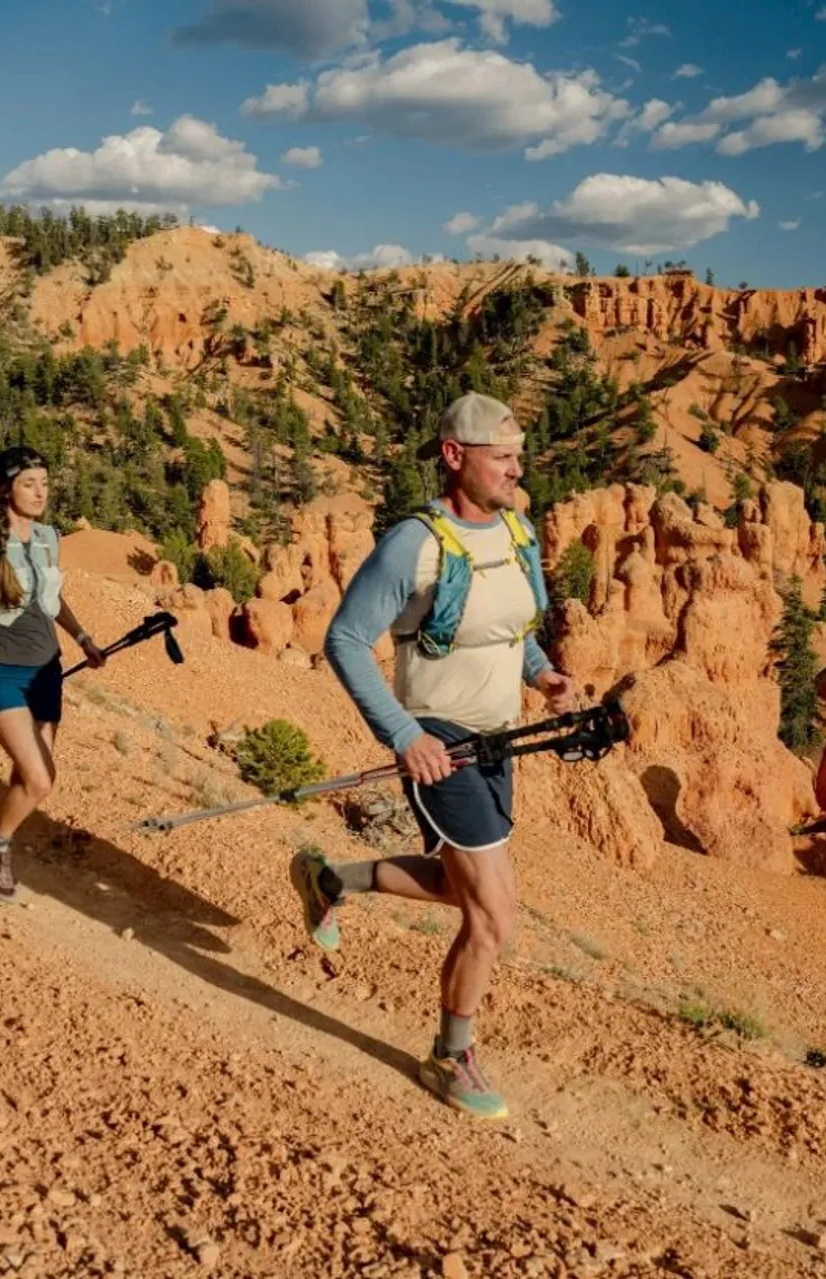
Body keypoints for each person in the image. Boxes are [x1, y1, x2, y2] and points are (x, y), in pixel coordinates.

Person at [306, 392, 578, 1120]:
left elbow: (509, 628)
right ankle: (448, 1054)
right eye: (502, 457)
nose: (517, 470)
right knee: (493, 911)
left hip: (497, 737)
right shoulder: (414, 542)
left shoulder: (516, 531)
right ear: (455, 456)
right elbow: (344, 639)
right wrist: (403, 734)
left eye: (519, 456)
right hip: (438, 736)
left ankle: (331, 876)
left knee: (462, 886)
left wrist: (540, 671)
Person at [0, 446, 106, 906]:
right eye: (30, 483)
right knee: (41, 778)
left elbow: (52, 599)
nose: (40, 492)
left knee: (29, 777)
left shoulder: (49, 537)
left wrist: (83, 637)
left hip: (47, 672)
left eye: (45, 483)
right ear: (6, 488)